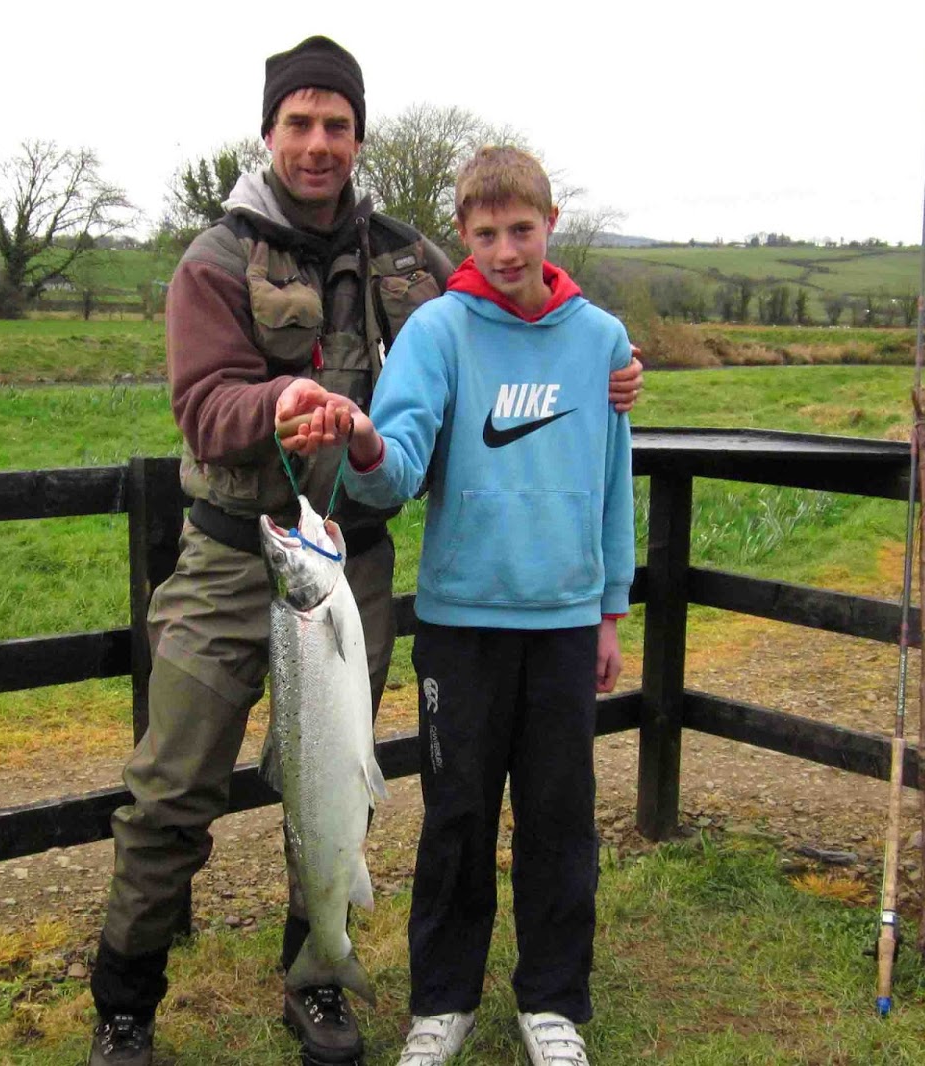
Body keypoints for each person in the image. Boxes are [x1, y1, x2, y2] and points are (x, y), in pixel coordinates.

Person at [86, 37, 643, 1066]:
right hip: (226, 554)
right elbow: (203, 408)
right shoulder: (214, 259)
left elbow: (506, 309)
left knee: (333, 770)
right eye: (298, 123)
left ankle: (322, 981)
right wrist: (281, 402)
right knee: (172, 788)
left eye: (335, 124)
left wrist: (603, 362)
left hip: (353, 563)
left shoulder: (408, 257)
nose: (317, 143)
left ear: (357, 136)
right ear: (267, 132)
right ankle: (125, 1002)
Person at [298, 145, 635, 1066]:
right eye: (485, 233)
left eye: (521, 229)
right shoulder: (438, 333)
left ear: (550, 223)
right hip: (461, 627)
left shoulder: (600, 341)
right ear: (463, 236)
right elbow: (399, 464)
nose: (506, 249)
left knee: (561, 817)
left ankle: (553, 1004)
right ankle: (439, 1004)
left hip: (565, 625)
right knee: (457, 817)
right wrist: (364, 444)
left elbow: (614, 484)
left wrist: (610, 610)